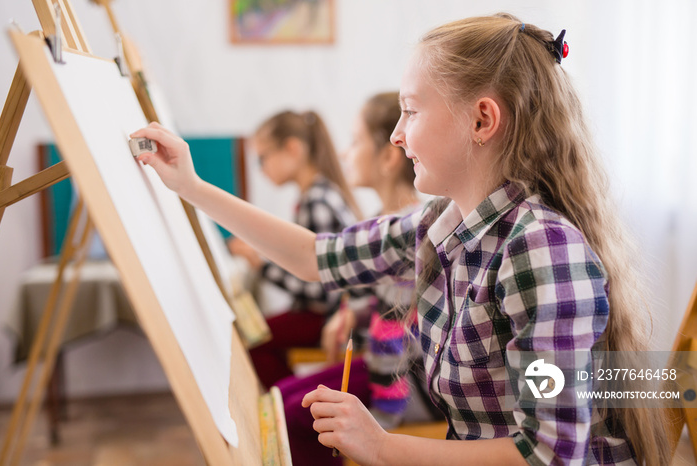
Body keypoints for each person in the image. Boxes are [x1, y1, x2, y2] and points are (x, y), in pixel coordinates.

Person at [132, 13, 670, 466]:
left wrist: (382, 446)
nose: (396, 134)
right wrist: (191, 185)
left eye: (410, 111)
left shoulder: (541, 249)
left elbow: (548, 452)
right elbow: (313, 256)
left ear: (482, 120)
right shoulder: (439, 224)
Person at [275, 92, 442, 466]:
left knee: (298, 412)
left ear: (387, 157)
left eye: (355, 141)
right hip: (384, 365)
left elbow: (410, 329)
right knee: (285, 402)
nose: (347, 153)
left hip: (404, 379)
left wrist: (378, 430)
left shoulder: (413, 227)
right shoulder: (383, 220)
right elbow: (393, 304)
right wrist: (356, 315)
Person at [229, 110, 363, 389]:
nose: (261, 168)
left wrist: (260, 264)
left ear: (293, 149)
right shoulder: (317, 194)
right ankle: (291, 396)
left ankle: (292, 401)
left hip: (326, 315)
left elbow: (320, 288)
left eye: (263, 157)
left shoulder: (316, 201)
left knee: (252, 339)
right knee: (255, 334)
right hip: (323, 312)